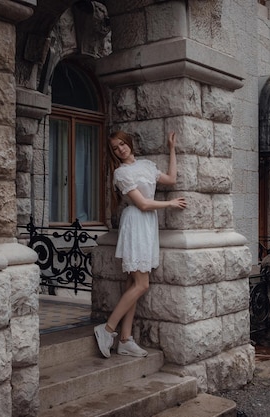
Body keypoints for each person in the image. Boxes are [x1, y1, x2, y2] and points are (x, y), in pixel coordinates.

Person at [94, 130, 187, 358]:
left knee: (132, 285)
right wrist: (170, 204)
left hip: (147, 225)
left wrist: (172, 149)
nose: (120, 149)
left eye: (122, 144)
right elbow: (143, 204)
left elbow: (172, 179)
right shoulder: (121, 173)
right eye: (115, 148)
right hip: (136, 222)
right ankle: (107, 329)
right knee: (142, 285)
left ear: (129, 143)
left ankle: (125, 339)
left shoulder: (146, 165)